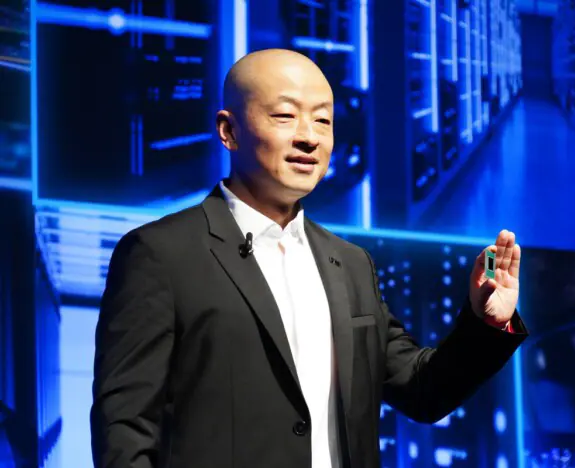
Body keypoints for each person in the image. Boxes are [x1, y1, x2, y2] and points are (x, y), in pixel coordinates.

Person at [90, 48, 528, 468]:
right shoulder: (160, 253)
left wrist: (487, 323)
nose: (309, 137)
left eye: (323, 120)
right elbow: (126, 429)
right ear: (228, 130)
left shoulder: (351, 264)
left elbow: (421, 389)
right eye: (285, 116)